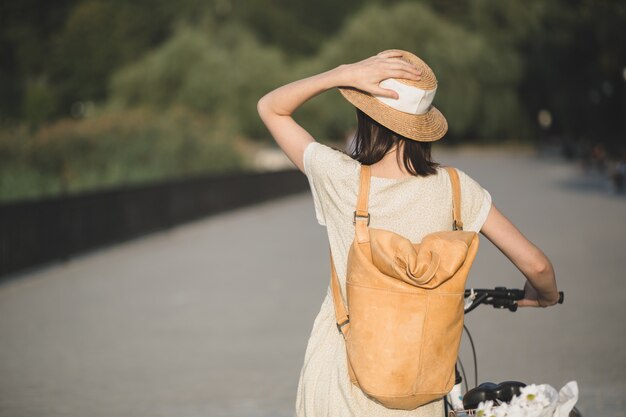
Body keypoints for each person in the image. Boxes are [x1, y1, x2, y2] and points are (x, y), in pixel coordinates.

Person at [257, 49, 560, 417]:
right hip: (420, 398)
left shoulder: (339, 177)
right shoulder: (458, 189)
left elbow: (270, 107)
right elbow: (538, 266)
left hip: (338, 390)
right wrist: (541, 296)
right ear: (423, 124)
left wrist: (342, 73)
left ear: (367, 118)